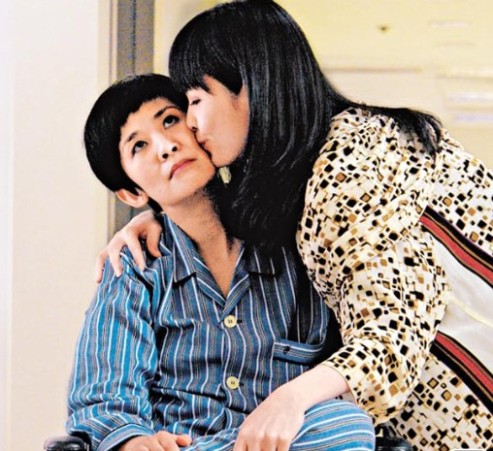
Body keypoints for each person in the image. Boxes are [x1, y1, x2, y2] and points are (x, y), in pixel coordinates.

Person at [100, 1, 493, 449]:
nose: (190, 123)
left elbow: (392, 336)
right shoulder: (305, 172)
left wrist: (291, 399)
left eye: (195, 100)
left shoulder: (348, 162)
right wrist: (157, 214)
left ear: (248, 85)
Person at [67, 73, 375, 451]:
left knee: (345, 423)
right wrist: (132, 441)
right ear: (131, 193)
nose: (165, 146)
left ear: (200, 124)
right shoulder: (134, 268)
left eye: (170, 120)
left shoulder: (297, 238)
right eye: (139, 146)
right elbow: (103, 398)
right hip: (178, 440)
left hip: (288, 444)